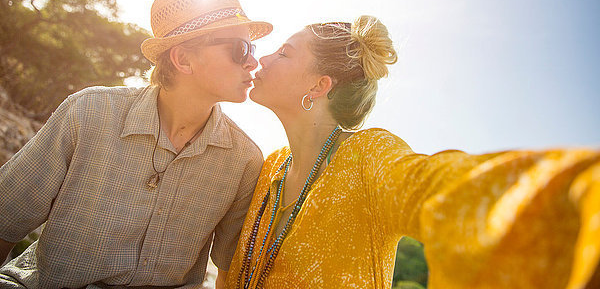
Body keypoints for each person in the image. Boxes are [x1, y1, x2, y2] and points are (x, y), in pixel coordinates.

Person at [224, 16, 600, 289]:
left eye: (285, 54)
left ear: (319, 85)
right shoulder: (269, 167)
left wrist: (579, 191)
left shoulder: (369, 156)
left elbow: (444, 188)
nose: (263, 60)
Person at [0, 0, 272, 288]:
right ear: (183, 59)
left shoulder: (244, 161)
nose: (253, 61)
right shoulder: (88, 113)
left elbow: (230, 273)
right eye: (240, 49)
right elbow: (4, 220)